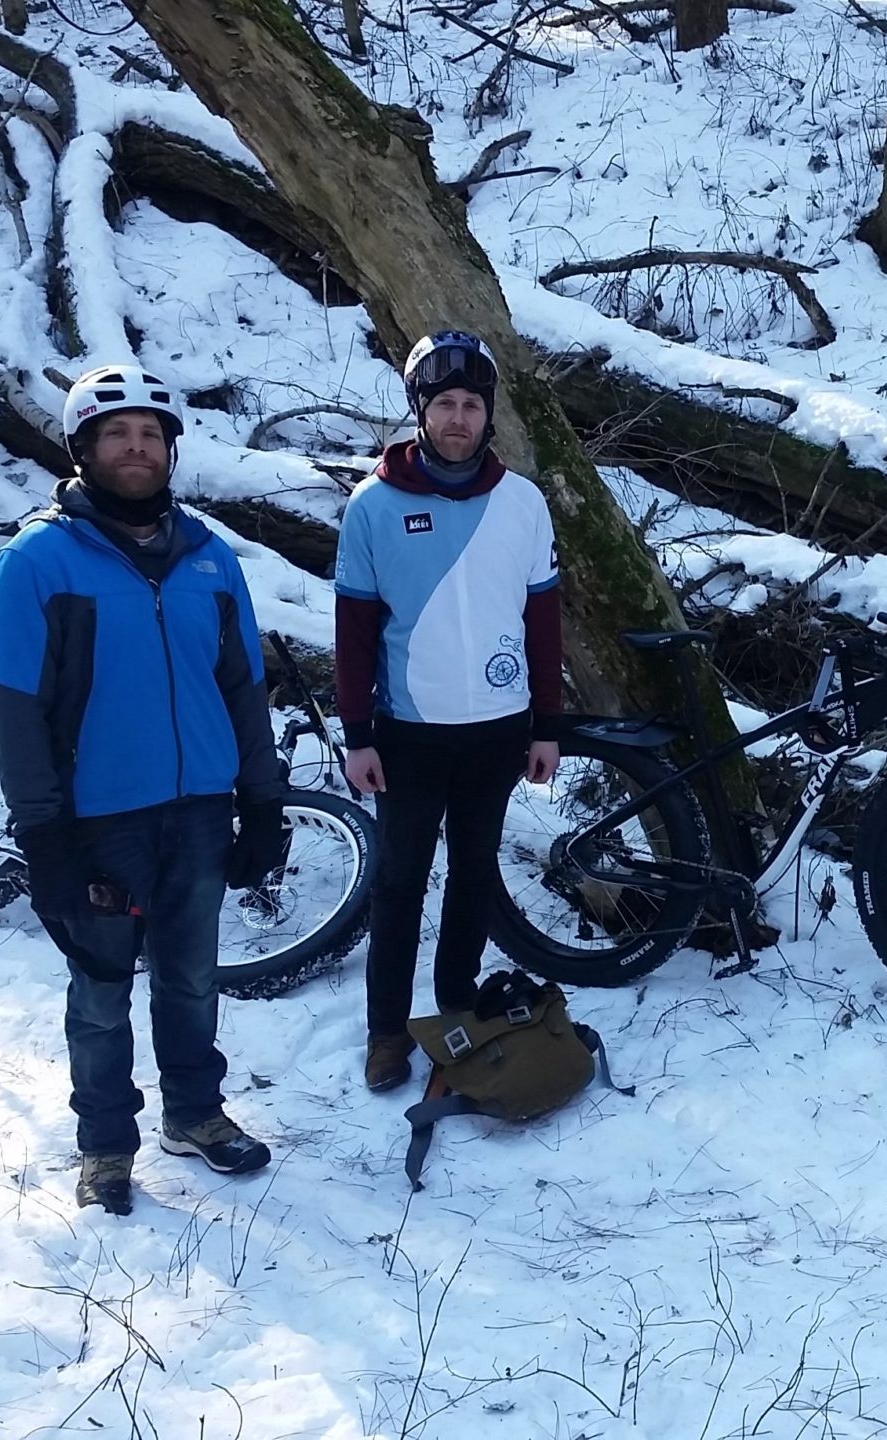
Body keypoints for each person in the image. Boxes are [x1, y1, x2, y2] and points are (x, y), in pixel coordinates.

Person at [0, 365, 289, 1216]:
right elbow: (18, 711)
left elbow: (242, 690)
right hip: (97, 822)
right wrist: (44, 835)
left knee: (191, 979)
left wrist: (262, 801)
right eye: (116, 433)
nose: (137, 447)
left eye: (151, 434)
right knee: (101, 992)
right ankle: (107, 1146)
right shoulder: (37, 561)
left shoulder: (210, 559)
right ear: (82, 448)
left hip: (199, 813)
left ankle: (195, 1115)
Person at [333, 330, 563, 1094]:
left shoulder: (522, 503)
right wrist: (357, 733)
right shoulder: (373, 505)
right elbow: (354, 631)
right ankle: (386, 1032)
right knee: (399, 881)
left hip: (498, 729)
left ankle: (457, 1006)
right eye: (444, 405)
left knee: (474, 874)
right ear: (419, 411)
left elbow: (543, 622)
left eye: (470, 404)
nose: (458, 418)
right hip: (408, 733)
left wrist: (547, 724)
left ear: (488, 412)